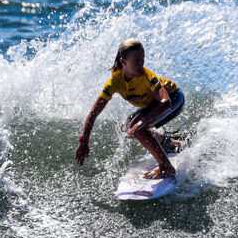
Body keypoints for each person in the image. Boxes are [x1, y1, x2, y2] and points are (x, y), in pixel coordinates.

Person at [75, 39, 184, 179]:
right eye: (137, 60)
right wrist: (84, 140)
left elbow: (165, 102)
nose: (142, 63)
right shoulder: (114, 82)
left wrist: (142, 122)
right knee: (126, 126)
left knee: (137, 128)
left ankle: (166, 167)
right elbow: (93, 113)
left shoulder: (147, 76)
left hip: (174, 99)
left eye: (143, 59)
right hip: (153, 105)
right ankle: (170, 143)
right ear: (123, 62)